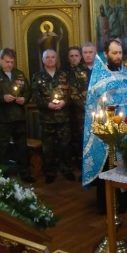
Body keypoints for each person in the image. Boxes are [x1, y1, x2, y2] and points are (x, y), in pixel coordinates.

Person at [82, 39, 127, 213]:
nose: (118, 56)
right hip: (107, 125)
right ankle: (108, 203)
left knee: (126, 156)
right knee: (110, 161)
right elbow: (101, 95)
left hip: (124, 123)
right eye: (114, 53)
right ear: (106, 54)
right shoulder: (100, 73)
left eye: (120, 53)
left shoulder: (123, 72)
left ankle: (126, 199)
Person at [0, 48, 35, 182]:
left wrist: (24, 99)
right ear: (0, 60)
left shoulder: (19, 74)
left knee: (21, 147)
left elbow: (28, 91)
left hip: (19, 117)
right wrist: (2, 98)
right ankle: (1, 176)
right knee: (1, 148)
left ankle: (25, 174)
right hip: (2, 118)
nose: (10, 64)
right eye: (7, 61)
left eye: (12, 62)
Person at [32, 49, 74, 184]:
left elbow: (70, 93)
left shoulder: (64, 75)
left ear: (56, 59)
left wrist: (64, 101)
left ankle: (67, 169)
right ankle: (50, 172)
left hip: (63, 117)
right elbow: (35, 96)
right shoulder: (37, 77)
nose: (50, 59)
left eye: (52, 57)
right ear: (43, 60)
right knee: (48, 147)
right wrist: (47, 104)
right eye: (47, 57)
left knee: (65, 145)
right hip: (46, 118)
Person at [66, 46, 91, 173]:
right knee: (78, 139)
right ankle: (81, 167)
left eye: (76, 55)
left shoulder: (91, 70)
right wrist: (85, 105)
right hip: (76, 111)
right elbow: (73, 93)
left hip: (92, 111)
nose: (74, 58)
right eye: (72, 56)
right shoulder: (69, 72)